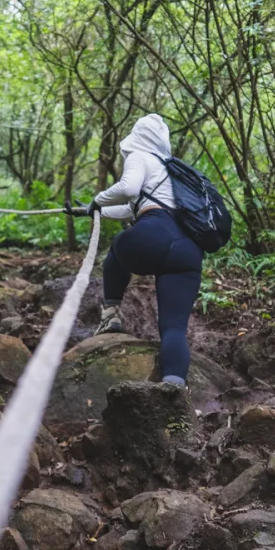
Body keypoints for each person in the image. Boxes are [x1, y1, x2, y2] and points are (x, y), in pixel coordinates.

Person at [66, 114, 202, 387]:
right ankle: (174, 386)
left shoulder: (139, 156)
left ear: (137, 137)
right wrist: (93, 211)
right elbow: (131, 207)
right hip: (188, 248)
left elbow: (128, 189)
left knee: (119, 248)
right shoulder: (170, 171)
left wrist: (96, 199)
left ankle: (111, 314)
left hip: (154, 233)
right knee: (174, 328)